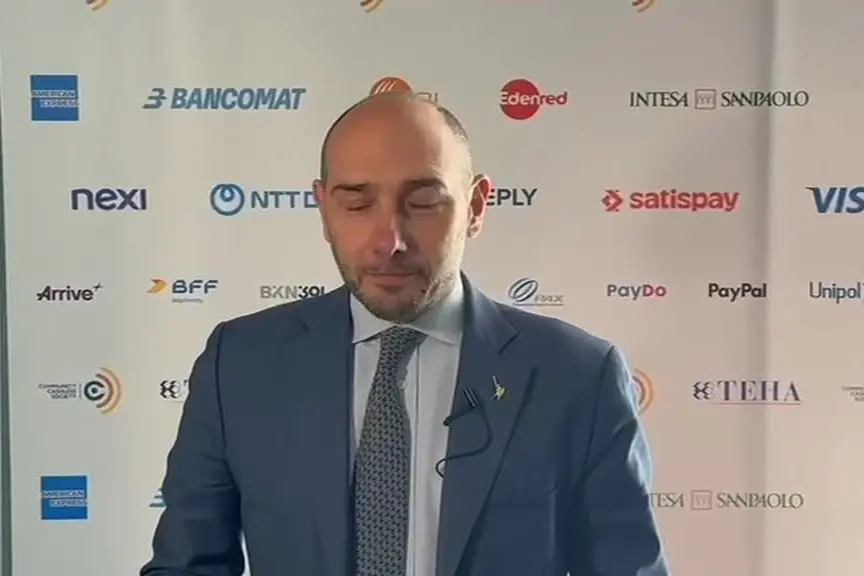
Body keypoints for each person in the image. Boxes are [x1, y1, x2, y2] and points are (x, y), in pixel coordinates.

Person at [140, 93, 669, 576]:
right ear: (323, 209)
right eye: (356, 202)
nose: (389, 241)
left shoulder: (578, 377)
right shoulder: (239, 364)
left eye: (423, 202)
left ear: (476, 207)